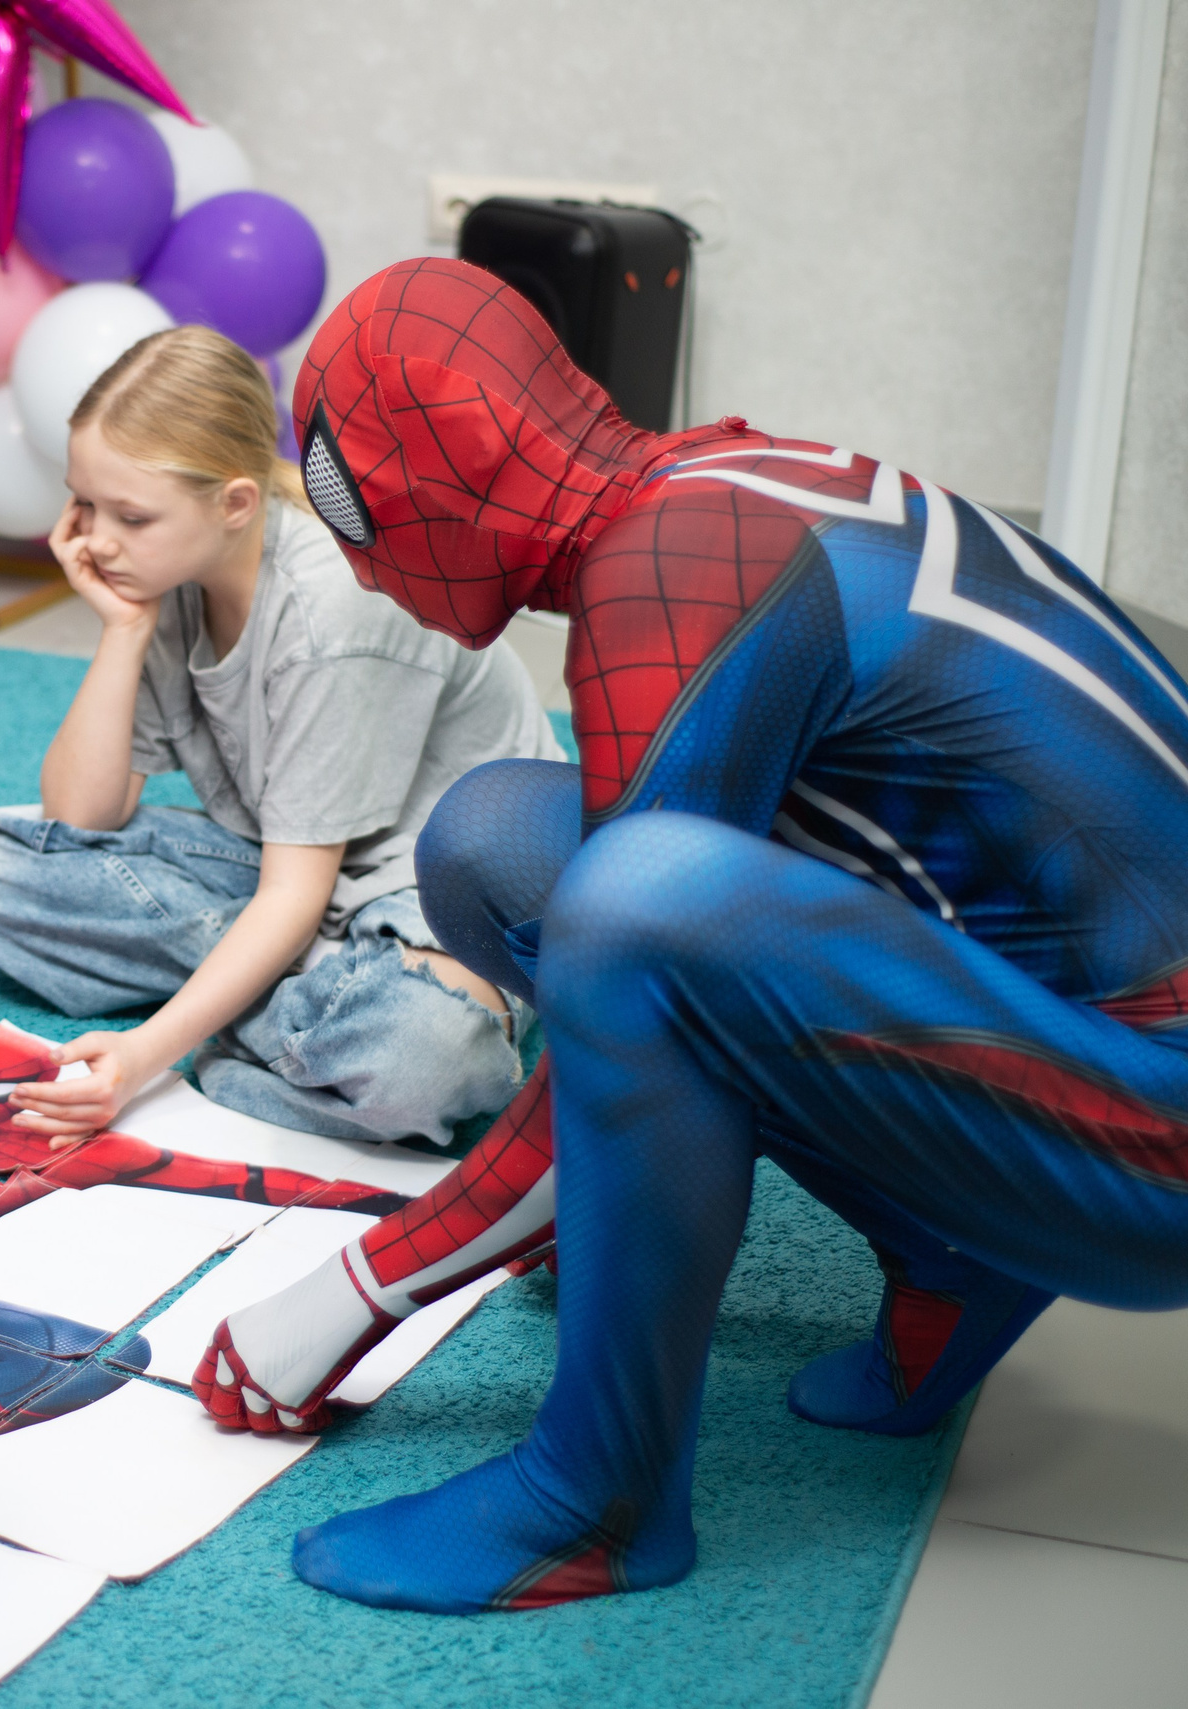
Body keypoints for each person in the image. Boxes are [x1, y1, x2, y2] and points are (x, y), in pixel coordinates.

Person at [200, 256, 1188, 1613]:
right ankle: (958, 1256)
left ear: (449, 468)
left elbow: (637, 957)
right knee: (494, 839)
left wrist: (346, 1299)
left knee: (632, 903)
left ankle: (596, 1494)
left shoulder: (669, 572)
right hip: (1078, 1036)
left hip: (1157, 1139)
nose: (357, 565)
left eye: (347, 499)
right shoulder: (711, 484)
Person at [0, 325, 562, 1144]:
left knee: (425, 1063)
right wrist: (122, 632)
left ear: (233, 503)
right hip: (285, 871)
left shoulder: (334, 609)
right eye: (82, 502)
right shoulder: (162, 567)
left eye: (130, 515)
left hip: (431, 897)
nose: (94, 538)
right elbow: (80, 817)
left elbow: (294, 898)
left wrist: (144, 1056)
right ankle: (302, 1009)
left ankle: (238, 1028)